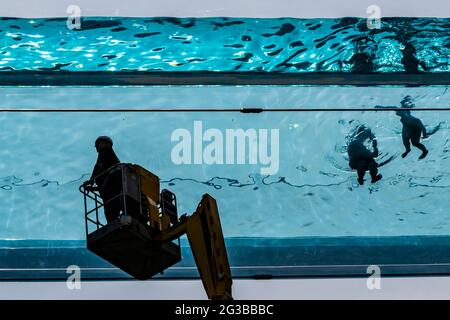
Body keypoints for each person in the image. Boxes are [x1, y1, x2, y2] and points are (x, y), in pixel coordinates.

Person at [85, 136, 122, 223]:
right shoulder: (109, 156)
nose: (97, 147)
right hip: (111, 189)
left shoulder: (105, 153)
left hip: (111, 189)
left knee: (111, 213)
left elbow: (98, 169)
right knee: (112, 211)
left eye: (99, 144)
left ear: (107, 144)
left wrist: (91, 181)